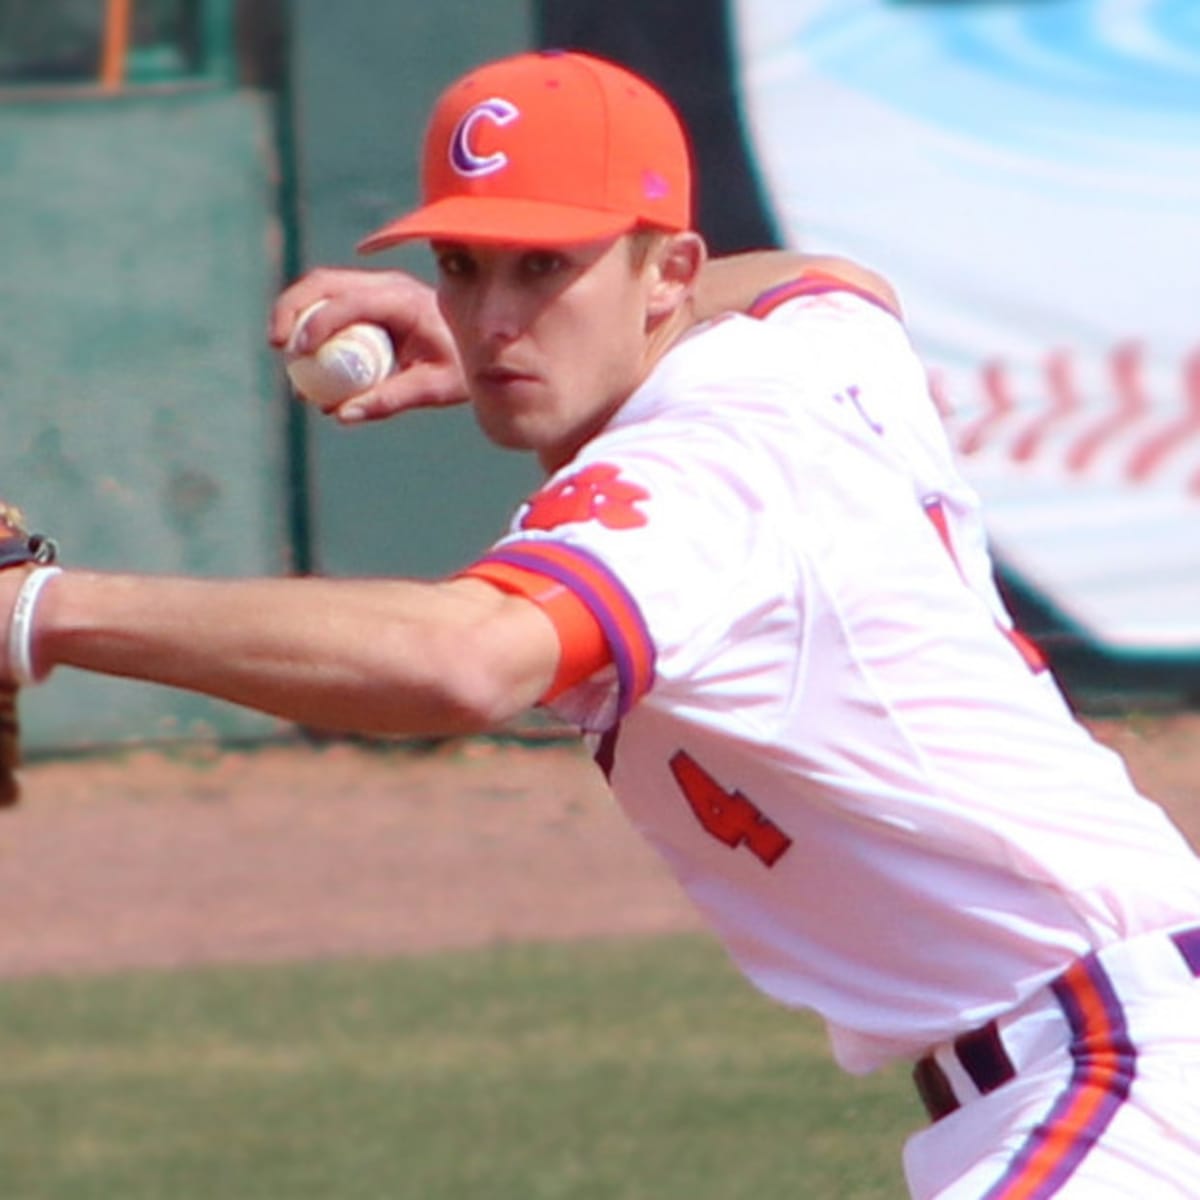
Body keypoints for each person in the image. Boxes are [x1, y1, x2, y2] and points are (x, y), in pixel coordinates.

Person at [4, 49, 1200, 1199]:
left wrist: (43, 609)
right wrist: (516, 318)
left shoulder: (699, 474)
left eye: (546, 267)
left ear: (672, 271)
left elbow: (461, 663)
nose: (495, 319)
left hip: (1116, 1072)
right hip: (1112, 1050)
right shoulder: (812, 353)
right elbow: (831, 277)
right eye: (465, 267)